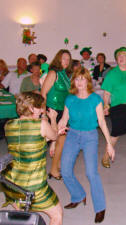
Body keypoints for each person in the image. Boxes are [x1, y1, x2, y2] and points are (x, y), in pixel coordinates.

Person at [58, 68, 115, 223]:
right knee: (65, 170)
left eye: (83, 79)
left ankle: (100, 207)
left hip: (90, 136)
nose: (80, 82)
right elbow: (64, 119)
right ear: (73, 82)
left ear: (88, 81)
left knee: (91, 173)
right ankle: (78, 195)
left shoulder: (95, 99)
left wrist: (109, 144)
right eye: (77, 79)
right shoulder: (69, 99)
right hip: (73, 135)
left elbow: (102, 123)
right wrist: (59, 126)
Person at [1, 92, 62, 225]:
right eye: (39, 107)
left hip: (13, 184)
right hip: (34, 184)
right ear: (31, 108)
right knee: (57, 215)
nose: (42, 110)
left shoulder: (8, 125)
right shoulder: (41, 125)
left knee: (21, 219)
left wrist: (46, 130)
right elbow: (54, 136)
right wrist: (52, 119)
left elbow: (28, 142)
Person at [41, 49, 72, 180]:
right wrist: (44, 114)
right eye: (64, 58)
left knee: (61, 141)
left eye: (68, 59)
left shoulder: (65, 74)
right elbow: (43, 93)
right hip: (52, 110)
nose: (66, 61)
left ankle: (57, 165)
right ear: (58, 59)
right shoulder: (53, 72)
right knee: (60, 141)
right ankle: (54, 170)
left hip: (62, 111)